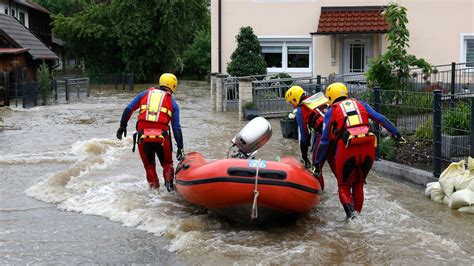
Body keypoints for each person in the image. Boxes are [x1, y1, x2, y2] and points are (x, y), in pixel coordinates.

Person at [314, 82, 405, 219]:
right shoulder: (361, 104)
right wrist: (397, 135)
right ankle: (358, 219)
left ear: (330, 97)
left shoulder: (332, 110)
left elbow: (325, 141)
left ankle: (351, 219)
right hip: (368, 146)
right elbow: (381, 118)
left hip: (347, 149)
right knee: (358, 185)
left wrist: (318, 164)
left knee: (343, 186)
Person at [116, 73, 184, 192]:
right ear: (173, 86)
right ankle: (169, 189)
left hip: (143, 137)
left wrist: (122, 126)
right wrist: (180, 147)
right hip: (162, 139)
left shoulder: (144, 94)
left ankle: (153, 194)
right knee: (167, 164)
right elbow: (176, 128)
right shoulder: (173, 103)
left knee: (149, 166)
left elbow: (128, 109)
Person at [284, 85, 329, 190]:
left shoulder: (301, 110)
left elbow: (304, 137)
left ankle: (319, 193)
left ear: (295, 99)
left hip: (323, 136)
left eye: (291, 102)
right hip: (337, 134)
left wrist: (304, 156)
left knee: (316, 168)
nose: (291, 105)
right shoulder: (317, 99)